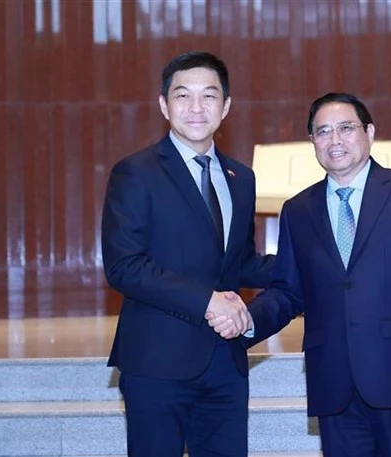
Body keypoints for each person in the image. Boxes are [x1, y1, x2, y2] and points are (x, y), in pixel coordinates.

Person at [210, 92, 391, 456]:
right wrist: (245, 321)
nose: (335, 140)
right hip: (335, 385)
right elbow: (288, 291)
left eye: (346, 128)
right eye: (323, 131)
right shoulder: (298, 210)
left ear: (369, 133)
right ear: (312, 142)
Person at [101, 51, 274, 457]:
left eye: (209, 96)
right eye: (183, 96)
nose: (196, 108)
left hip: (225, 363)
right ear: (164, 105)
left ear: (226, 106)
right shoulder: (135, 172)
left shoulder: (241, 177)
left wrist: (309, 261)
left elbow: (239, 262)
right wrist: (207, 301)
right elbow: (125, 266)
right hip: (157, 361)